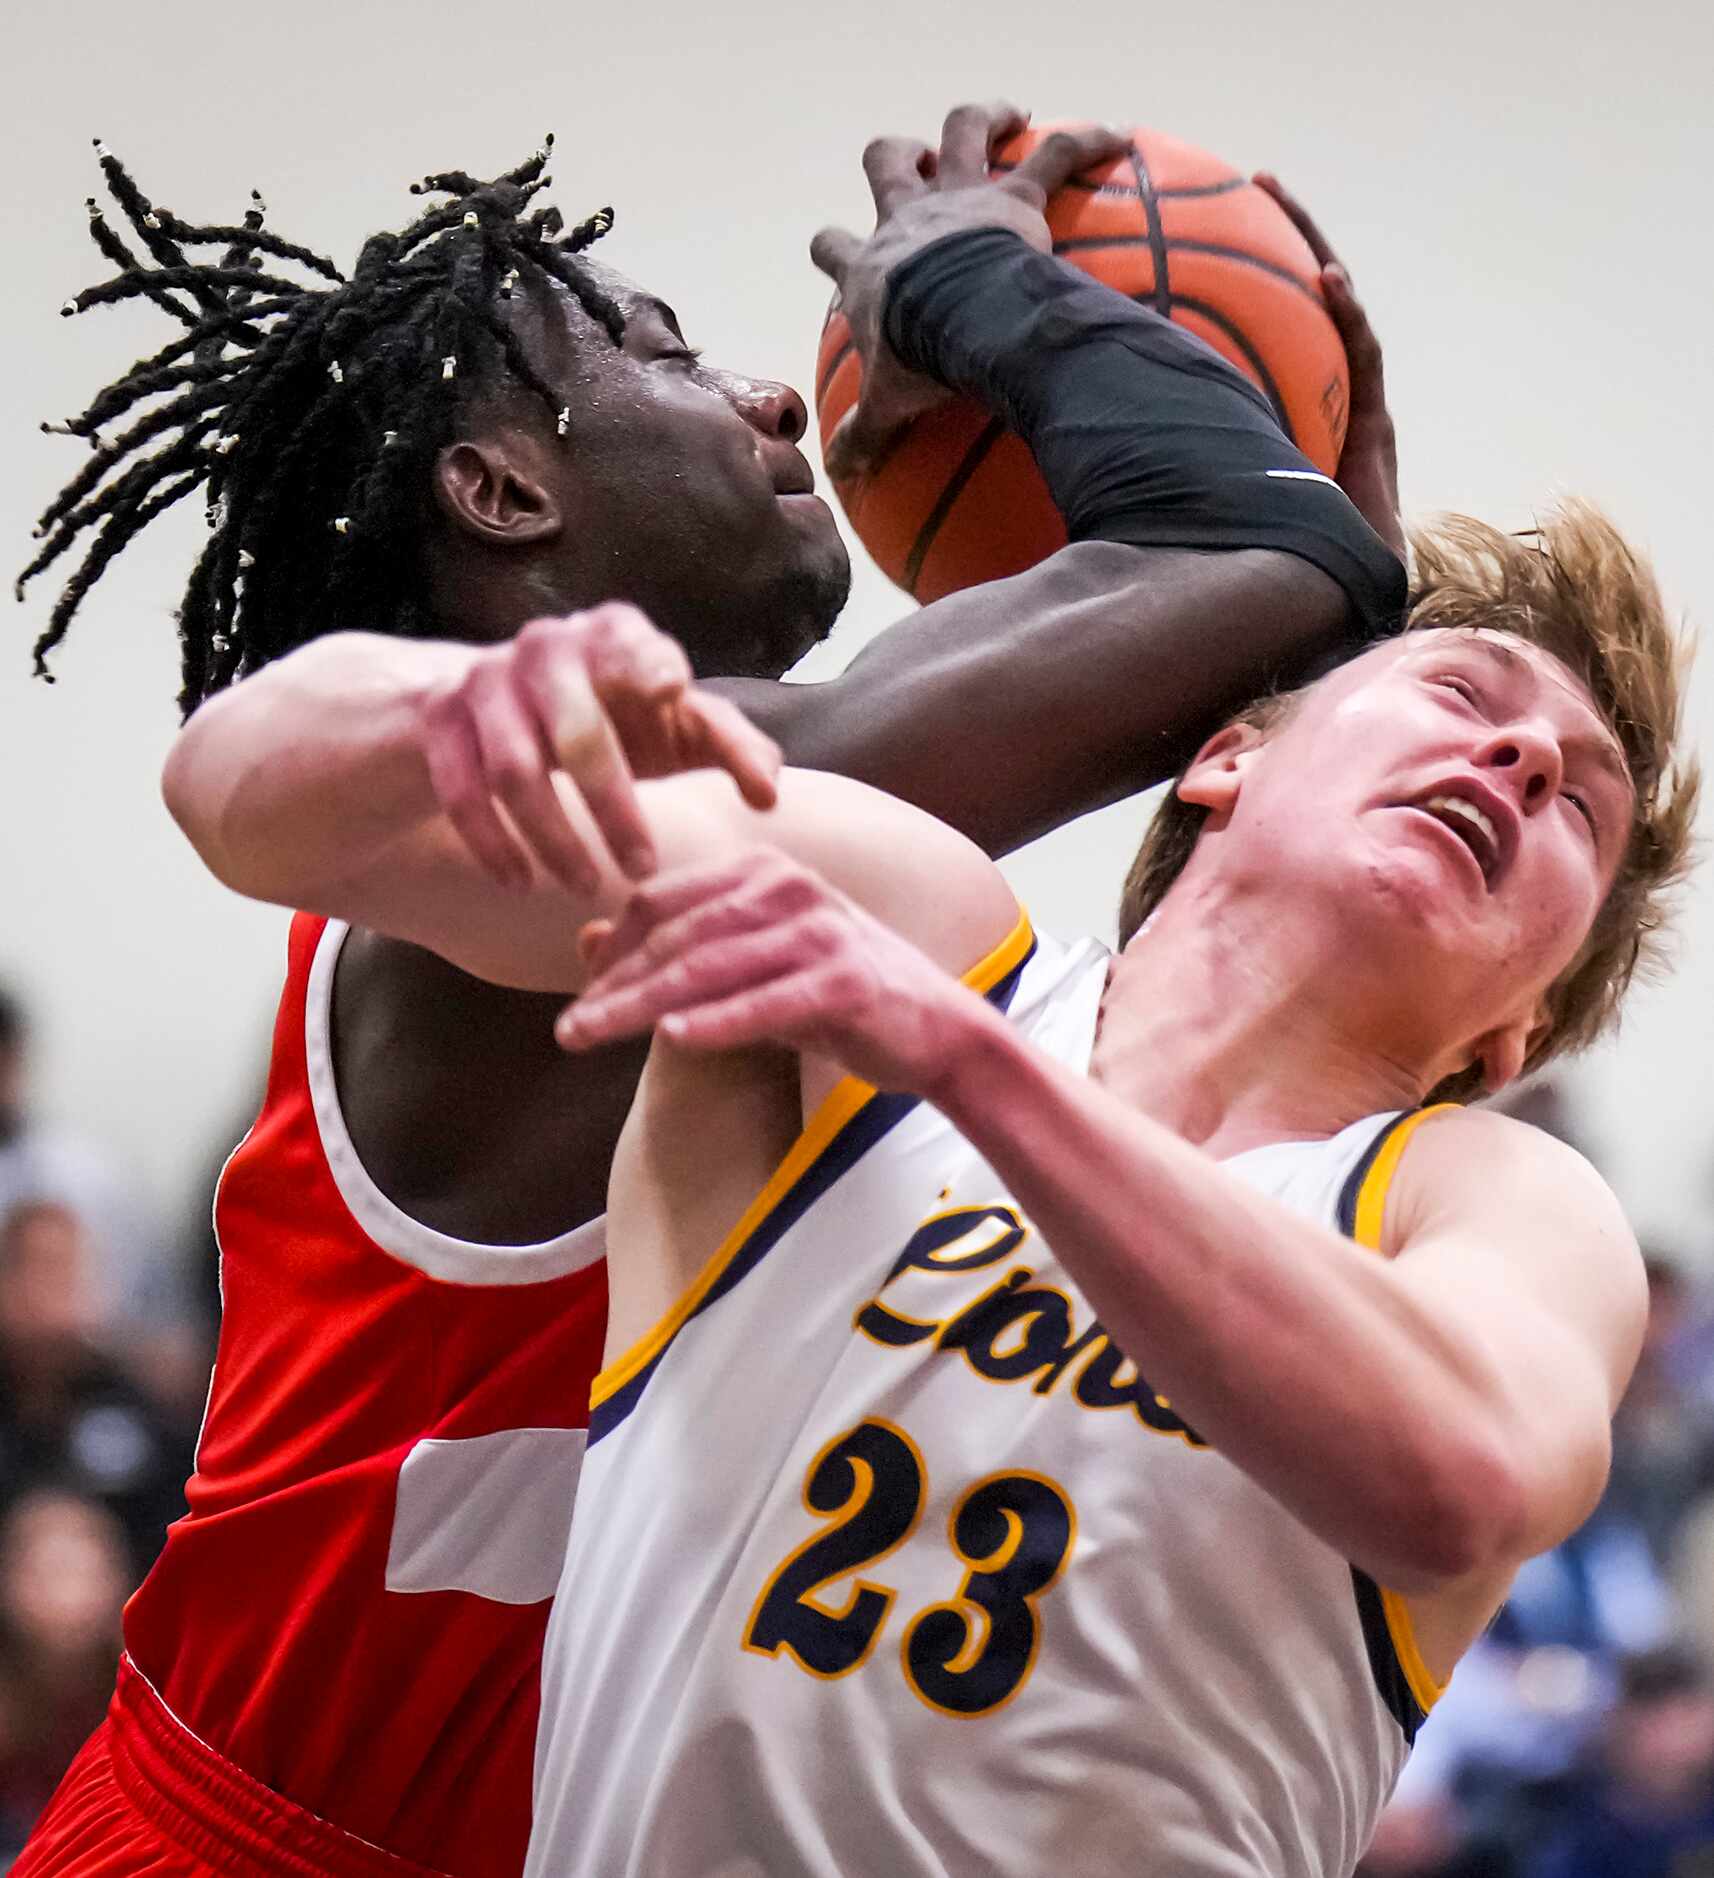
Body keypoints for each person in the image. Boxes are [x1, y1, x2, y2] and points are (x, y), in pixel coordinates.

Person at [19, 105, 1405, 1875]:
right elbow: (1243, 551)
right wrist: (974, 284)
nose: (774, 400)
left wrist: (1344, 648)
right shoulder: (548, 868)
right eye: (666, 354)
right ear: (504, 487)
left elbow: (1256, 886)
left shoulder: (779, 869)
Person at [158, 485, 1696, 1877]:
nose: (1517, 754)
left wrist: (972, 1068)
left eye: (1579, 801)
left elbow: (1456, 1482)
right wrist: (446, 706)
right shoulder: (910, 922)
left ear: (1521, 1027)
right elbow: (242, 796)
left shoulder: (1496, 1200)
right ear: (1228, 756)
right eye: (1459, 693)